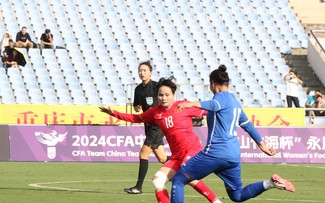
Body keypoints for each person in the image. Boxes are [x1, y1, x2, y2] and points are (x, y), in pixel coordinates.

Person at [171, 65, 295, 203]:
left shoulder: (221, 98)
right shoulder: (235, 103)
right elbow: (248, 126)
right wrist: (262, 145)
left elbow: (214, 105)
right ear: (228, 83)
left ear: (212, 83)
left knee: (179, 180)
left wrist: (191, 103)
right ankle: (270, 183)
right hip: (233, 155)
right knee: (237, 196)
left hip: (216, 152)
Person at [99, 77, 219, 203]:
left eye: (167, 95)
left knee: (183, 177)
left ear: (173, 95)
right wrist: (114, 113)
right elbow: (136, 118)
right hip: (177, 156)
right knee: (158, 181)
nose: (164, 98)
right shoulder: (155, 112)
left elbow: (210, 112)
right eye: (161, 95)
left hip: (192, 151)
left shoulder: (183, 106)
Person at [123, 61, 169, 194]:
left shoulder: (156, 86)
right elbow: (136, 105)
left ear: (150, 72)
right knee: (162, 158)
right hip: (148, 125)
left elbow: (166, 96)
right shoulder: (138, 89)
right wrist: (137, 107)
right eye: (140, 70)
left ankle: (138, 187)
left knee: (143, 154)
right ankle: (185, 165)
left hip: (157, 125)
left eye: (144, 70)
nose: (142, 73)